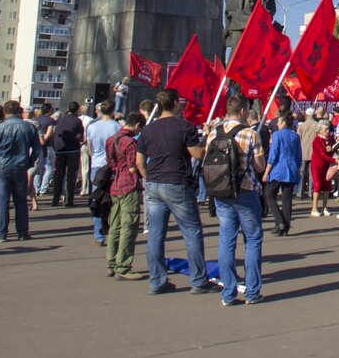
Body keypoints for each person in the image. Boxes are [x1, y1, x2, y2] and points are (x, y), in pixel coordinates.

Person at [135, 89, 212, 295]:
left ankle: (157, 280)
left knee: (156, 234)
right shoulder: (184, 127)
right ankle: (198, 280)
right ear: (176, 103)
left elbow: (139, 161)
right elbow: (196, 154)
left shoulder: (148, 129)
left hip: (154, 183)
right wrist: (205, 143)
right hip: (177, 182)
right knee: (192, 232)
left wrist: (147, 177)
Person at [213, 95, 266, 306]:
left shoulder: (213, 133)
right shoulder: (249, 134)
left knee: (226, 240)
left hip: (221, 191)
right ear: (243, 111)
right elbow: (260, 165)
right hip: (246, 191)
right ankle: (252, 292)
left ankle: (228, 292)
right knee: (252, 240)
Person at [0, 100, 41, 243]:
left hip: (2, 166)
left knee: (2, 200)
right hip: (20, 166)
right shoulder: (29, 127)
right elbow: (37, 149)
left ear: (5, 112)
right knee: (21, 200)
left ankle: (1, 233)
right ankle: (22, 232)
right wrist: (29, 162)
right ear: (20, 112)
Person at [104, 113, 147, 280]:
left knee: (115, 225)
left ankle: (111, 262)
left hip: (115, 184)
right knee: (129, 226)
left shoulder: (111, 139)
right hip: (128, 184)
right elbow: (133, 166)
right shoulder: (129, 142)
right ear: (136, 125)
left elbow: (110, 162)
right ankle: (123, 265)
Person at [85, 101, 122, 246]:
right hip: (111, 166)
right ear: (113, 111)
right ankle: (113, 232)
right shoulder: (117, 127)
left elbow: (89, 148)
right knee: (113, 200)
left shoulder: (92, 126)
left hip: (96, 165)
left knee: (97, 200)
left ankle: (98, 234)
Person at [263, 114, 300, 236]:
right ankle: (285, 226)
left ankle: (280, 221)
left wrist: (266, 172)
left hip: (278, 169)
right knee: (286, 199)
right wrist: (297, 167)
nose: (277, 125)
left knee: (269, 195)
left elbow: (273, 155)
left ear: (283, 123)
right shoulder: (295, 136)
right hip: (291, 169)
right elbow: (298, 155)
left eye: (279, 122)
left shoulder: (277, 135)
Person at [51, 101, 85, 207]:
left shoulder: (60, 120)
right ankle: (69, 200)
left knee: (58, 176)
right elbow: (81, 136)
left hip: (60, 150)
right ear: (77, 109)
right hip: (73, 150)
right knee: (71, 176)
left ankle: (55, 200)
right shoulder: (77, 121)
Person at [309, 122, 336, 217]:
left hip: (327, 165)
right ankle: (314, 208)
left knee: (327, 185)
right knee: (317, 185)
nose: (327, 131)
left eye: (328, 129)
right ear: (319, 130)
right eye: (325, 129)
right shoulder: (317, 140)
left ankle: (324, 207)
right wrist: (334, 159)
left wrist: (333, 150)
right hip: (317, 165)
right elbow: (322, 155)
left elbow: (334, 148)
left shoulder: (330, 139)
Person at [296, 107, 322, 199]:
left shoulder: (302, 126)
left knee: (302, 172)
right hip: (314, 152)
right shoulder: (317, 125)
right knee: (312, 173)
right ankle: (311, 192)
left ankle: (300, 192)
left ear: (306, 115)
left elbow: (298, 139)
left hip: (303, 151)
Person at [32, 103, 56, 196]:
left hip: (37, 146)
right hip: (48, 146)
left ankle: (36, 188)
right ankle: (43, 188)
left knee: (38, 168)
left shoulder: (36, 119)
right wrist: (44, 140)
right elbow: (49, 133)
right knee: (49, 168)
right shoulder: (51, 120)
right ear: (49, 110)